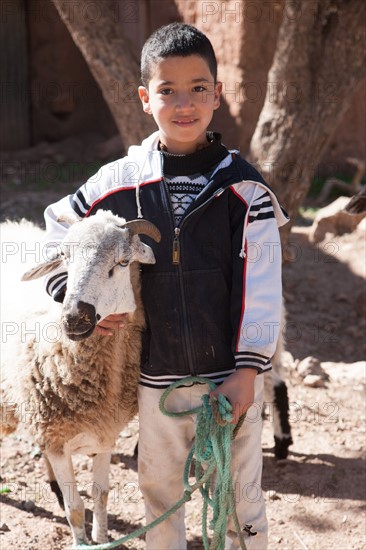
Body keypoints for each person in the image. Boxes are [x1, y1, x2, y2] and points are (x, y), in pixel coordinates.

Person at [43, 22, 288, 550]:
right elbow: (61, 224)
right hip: (157, 380)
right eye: (167, 90)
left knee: (238, 498)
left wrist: (249, 372)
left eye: (199, 88)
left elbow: (264, 286)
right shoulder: (119, 182)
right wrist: (76, 292)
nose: (184, 103)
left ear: (218, 95)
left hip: (232, 381)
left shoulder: (244, 188)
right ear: (143, 98)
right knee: (159, 490)